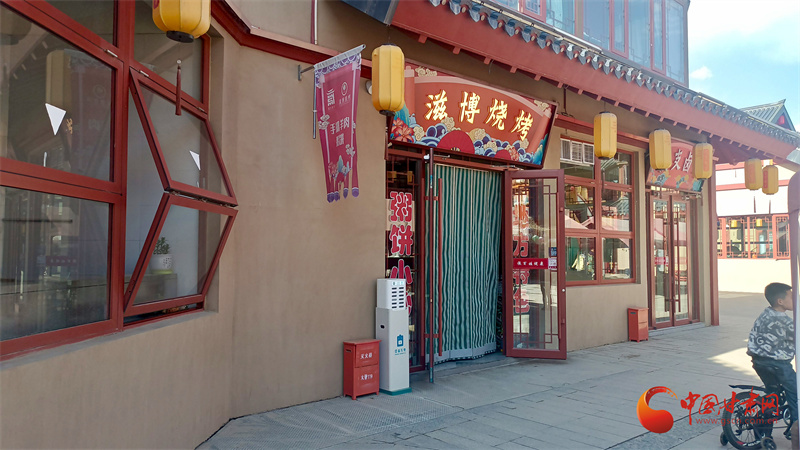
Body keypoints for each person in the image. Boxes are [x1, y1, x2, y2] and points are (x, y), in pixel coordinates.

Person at [747, 282, 796, 424]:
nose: (795, 299)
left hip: (758, 362)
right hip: (778, 364)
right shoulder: (784, 321)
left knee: (772, 394)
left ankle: (763, 430)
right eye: (791, 297)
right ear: (780, 301)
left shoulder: (765, 314)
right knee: (795, 392)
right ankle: (796, 426)